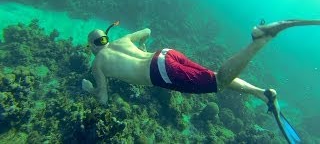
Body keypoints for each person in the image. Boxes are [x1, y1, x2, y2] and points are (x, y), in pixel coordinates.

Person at [82, 19, 320, 143]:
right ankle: (262, 93)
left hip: (160, 72)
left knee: (217, 83)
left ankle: (260, 39)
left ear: (92, 45)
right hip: (166, 55)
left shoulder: (97, 63)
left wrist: (91, 88)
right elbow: (146, 30)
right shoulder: (122, 40)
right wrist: (142, 47)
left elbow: (102, 99)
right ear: (105, 37)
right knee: (215, 76)